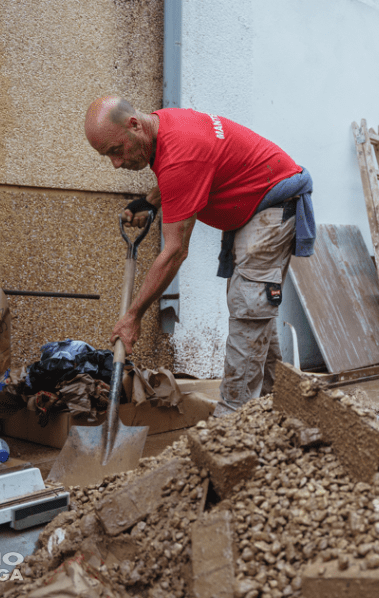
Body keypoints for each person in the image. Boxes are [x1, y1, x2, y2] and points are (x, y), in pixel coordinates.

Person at [83, 97, 315, 415]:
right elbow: (188, 171)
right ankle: (275, 406)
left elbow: (175, 251)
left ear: (134, 125)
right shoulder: (164, 125)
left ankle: (229, 423)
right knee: (255, 308)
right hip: (257, 201)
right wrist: (152, 201)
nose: (116, 163)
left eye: (115, 150)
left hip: (272, 202)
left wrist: (133, 316)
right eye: (106, 155)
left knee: (249, 306)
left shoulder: (181, 153)